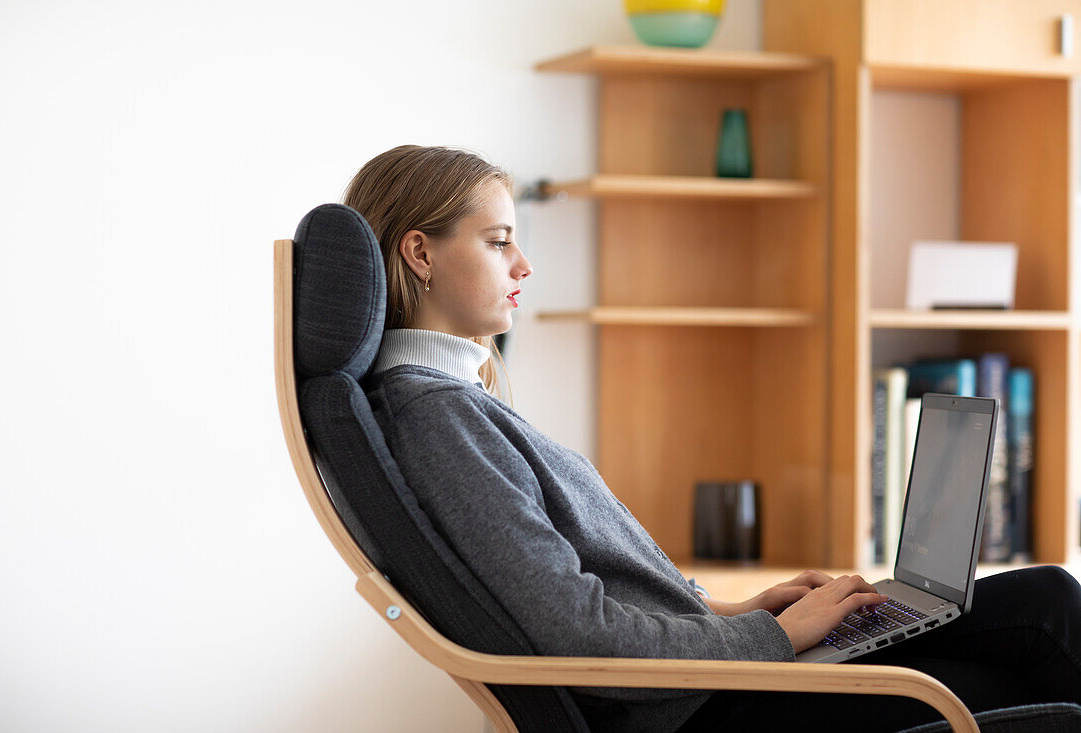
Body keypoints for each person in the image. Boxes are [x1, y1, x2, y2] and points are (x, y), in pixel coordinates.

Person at [346, 144, 1081, 733]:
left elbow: (595, 594)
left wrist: (749, 611)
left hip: (709, 677)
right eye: (500, 241)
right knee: (1029, 658)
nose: (524, 265)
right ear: (420, 252)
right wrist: (777, 639)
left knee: (1044, 596)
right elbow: (580, 632)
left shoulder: (454, 403)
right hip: (700, 706)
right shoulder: (440, 421)